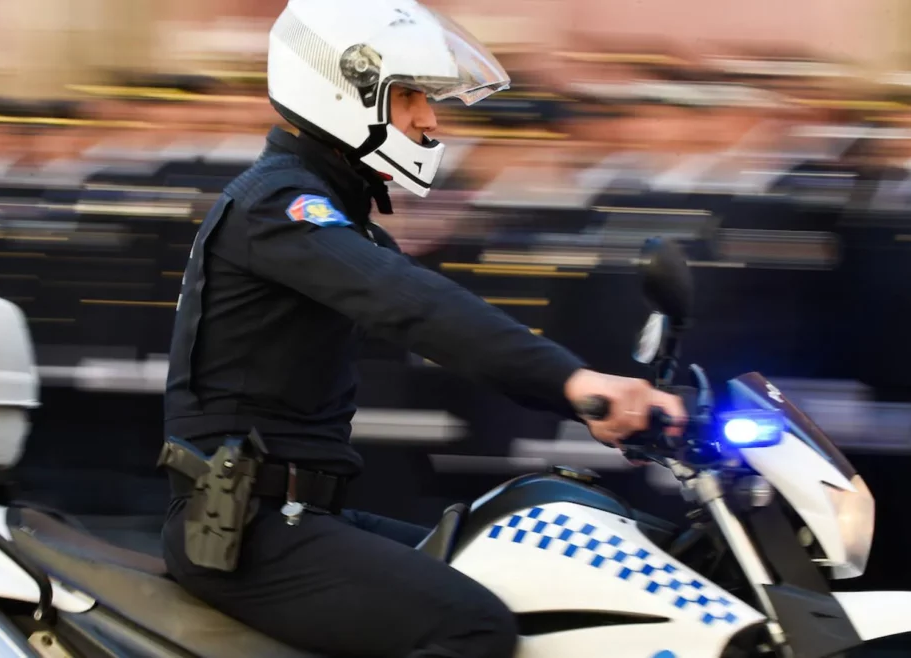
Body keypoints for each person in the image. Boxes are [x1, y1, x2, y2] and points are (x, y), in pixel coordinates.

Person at [160, 1, 687, 656]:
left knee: (521, 568)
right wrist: (576, 385)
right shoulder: (279, 207)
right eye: (409, 94)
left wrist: (606, 402)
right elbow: (415, 307)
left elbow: (450, 325)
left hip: (296, 514)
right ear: (341, 87)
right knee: (471, 625)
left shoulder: (339, 219)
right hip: (244, 532)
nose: (430, 118)